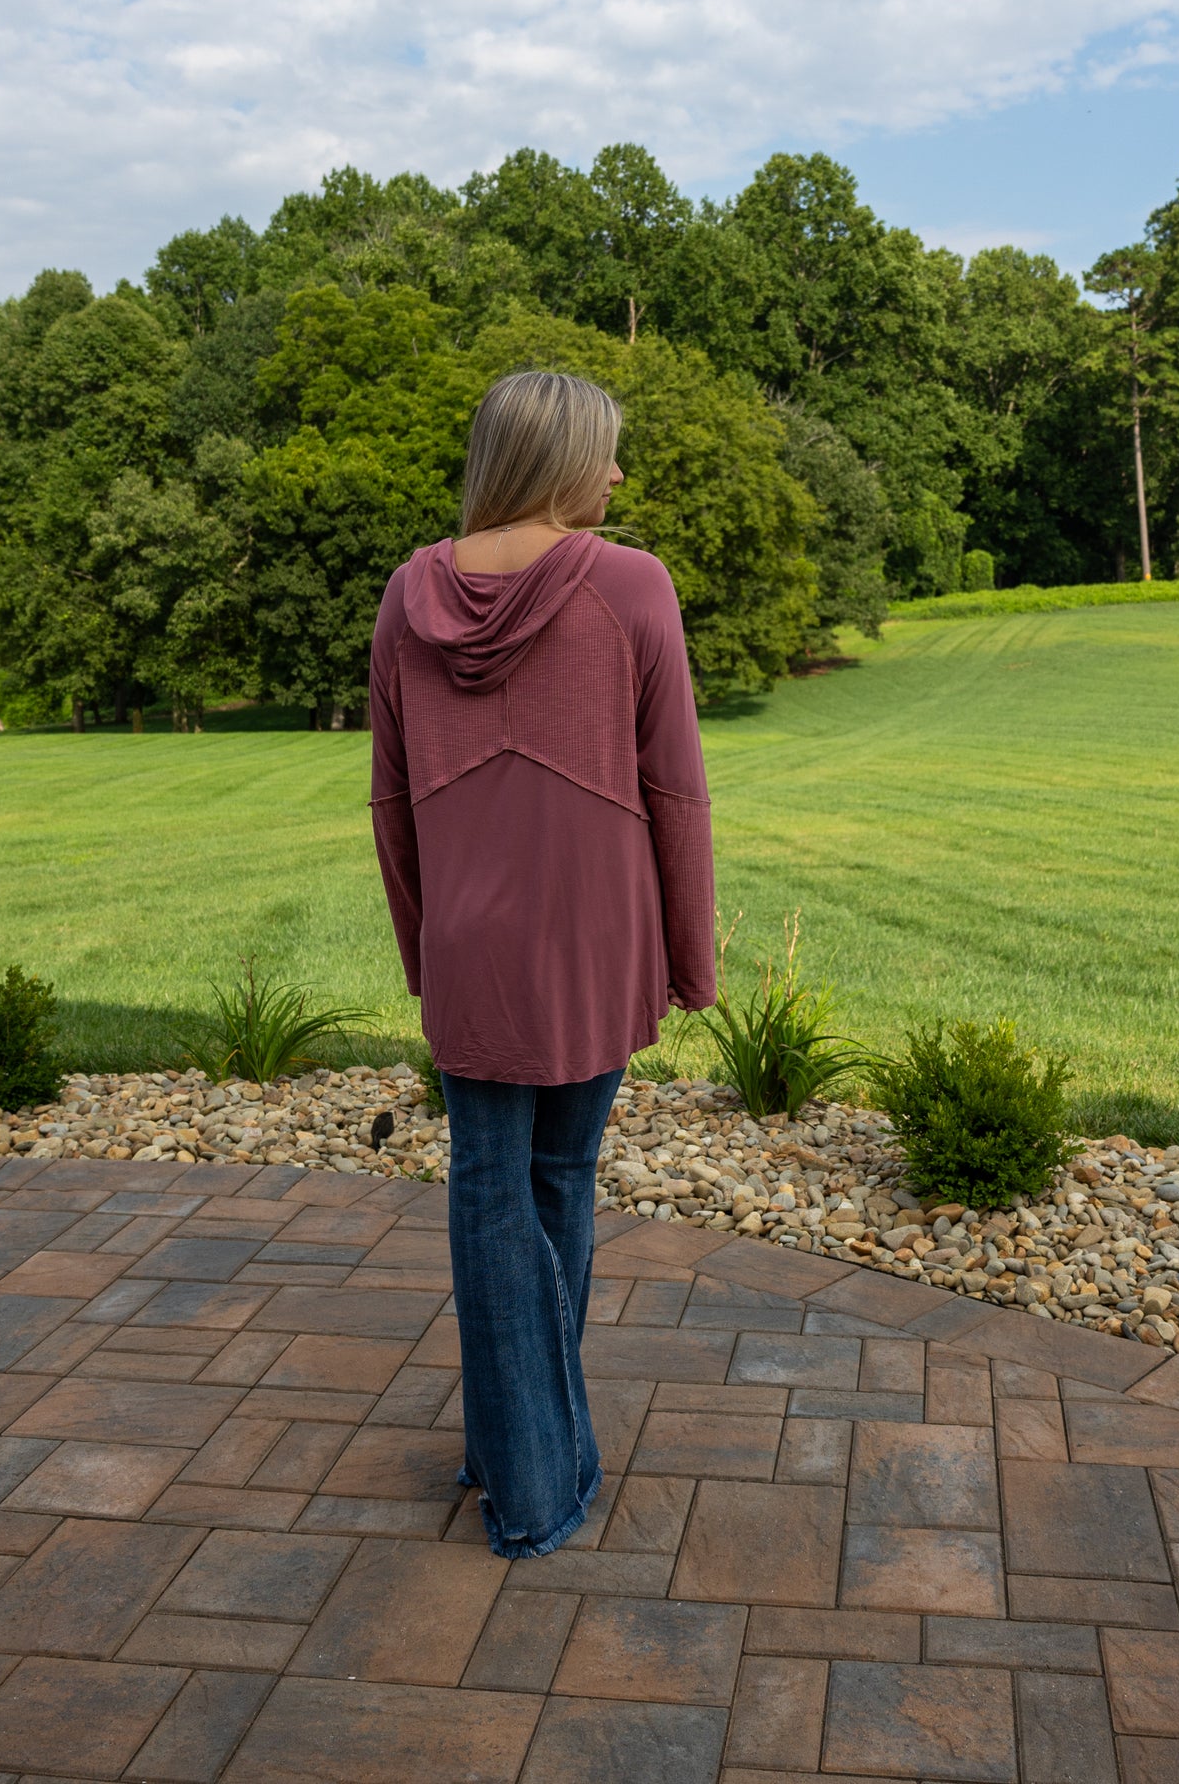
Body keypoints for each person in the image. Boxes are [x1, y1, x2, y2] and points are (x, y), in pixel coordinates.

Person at [368, 369, 716, 1557]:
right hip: (595, 928)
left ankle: (512, 1444)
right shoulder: (629, 585)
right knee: (557, 1176)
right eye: (606, 454)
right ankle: (534, 1482)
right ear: (558, 457)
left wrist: (426, 950)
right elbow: (673, 779)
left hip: (472, 939)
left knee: (488, 1182)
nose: (617, 477)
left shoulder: (405, 597)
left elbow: (391, 802)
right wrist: (690, 949)